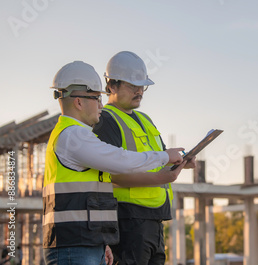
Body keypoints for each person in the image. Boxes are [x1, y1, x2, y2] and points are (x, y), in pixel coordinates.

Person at [43, 61, 187, 265]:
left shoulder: (78, 136)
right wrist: (164, 157)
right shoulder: (72, 136)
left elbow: (93, 194)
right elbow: (120, 160)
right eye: (96, 98)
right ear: (78, 102)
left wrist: (103, 243)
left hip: (86, 243)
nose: (101, 105)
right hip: (73, 246)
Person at [93, 51, 195, 265]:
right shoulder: (106, 121)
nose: (139, 91)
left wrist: (181, 161)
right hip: (128, 221)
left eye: (142, 86)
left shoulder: (144, 119)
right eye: (133, 85)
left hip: (154, 220)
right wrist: (163, 178)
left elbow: (160, 158)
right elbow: (114, 175)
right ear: (111, 86)